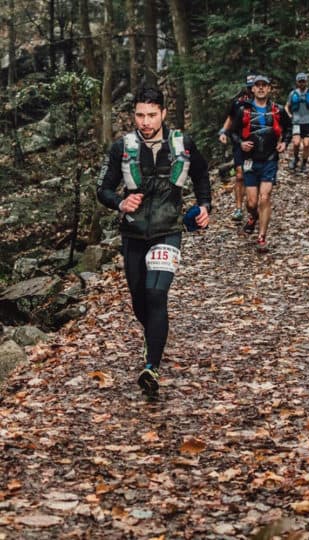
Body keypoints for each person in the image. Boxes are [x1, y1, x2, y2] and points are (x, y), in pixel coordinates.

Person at [97, 86, 211, 398]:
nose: (145, 121)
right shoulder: (122, 146)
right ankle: (154, 336)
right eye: (139, 115)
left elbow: (202, 175)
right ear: (133, 115)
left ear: (163, 113)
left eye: (151, 115)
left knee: (156, 293)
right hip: (133, 235)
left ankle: (152, 367)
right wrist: (120, 203)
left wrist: (204, 206)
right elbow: (103, 189)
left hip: (167, 230)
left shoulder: (182, 143)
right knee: (139, 300)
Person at [231, 75, 292, 252]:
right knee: (251, 203)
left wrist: (284, 142)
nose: (261, 89)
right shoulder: (243, 111)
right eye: (257, 86)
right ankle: (253, 216)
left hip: (270, 159)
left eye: (264, 86)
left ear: (269, 89)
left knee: (264, 197)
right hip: (250, 161)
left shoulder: (278, 110)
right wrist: (241, 143)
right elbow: (233, 132)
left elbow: (288, 128)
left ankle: (262, 237)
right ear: (252, 89)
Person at [218, 73, 256, 221]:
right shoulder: (238, 102)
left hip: (256, 144)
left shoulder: (263, 102)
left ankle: (253, 204)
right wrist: (223, 132)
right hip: (239, 141)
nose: (251, 89)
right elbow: (230, 118)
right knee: (240, 175)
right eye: (249, 86)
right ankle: (239, 209)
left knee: (253, 173)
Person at [285, 72, 309, 174]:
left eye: (303, 81)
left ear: (306, 82)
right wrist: (289, 114)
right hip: (296, 122)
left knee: (306, 144)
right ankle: (296, 158)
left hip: (308, 121)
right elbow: (287, 106)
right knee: (296, 143)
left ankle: (304, 164)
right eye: (300, 82)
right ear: (297, 82)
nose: (302, 83)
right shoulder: (293, 94)